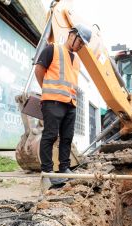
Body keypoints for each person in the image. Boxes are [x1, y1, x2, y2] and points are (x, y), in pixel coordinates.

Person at [35, 24, 92, 188]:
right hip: (52, 101)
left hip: (70, 104)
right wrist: (46, 90)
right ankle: (47, 172)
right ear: (72, 35)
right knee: (50, 136)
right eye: (80, 42)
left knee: (67, 137)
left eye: (83, 45)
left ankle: (64, 168)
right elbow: (39, 70)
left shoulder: (76, 61)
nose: (80, 46)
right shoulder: (52, 49)